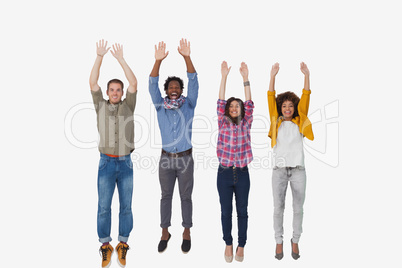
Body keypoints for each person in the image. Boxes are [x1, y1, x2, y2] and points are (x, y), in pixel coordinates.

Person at [89, 40, 137, 268]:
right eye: (113, 90)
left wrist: (120, 59)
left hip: (126, 163)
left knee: (126, 206)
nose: (116, 92)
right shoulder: (100, 105)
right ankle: (105, 245)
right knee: (104, 206)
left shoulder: (129, 105)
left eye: (119, 90)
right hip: (106, 163)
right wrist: (100, 56)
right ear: (108, 93)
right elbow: (92, 82)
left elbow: (134, 82)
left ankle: (123, 244)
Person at [148, 39, 198, 254]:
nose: (174, 89)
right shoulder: (160, 106)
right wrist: (157, 61)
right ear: (166, 91)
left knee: (186, 197)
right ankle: (165, 232)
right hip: (166, 159)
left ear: (181, 90)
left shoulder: (189, 104)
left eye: (177, 87)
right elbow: (151, 84)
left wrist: (186, 57)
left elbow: (194, 81)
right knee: (165, 196)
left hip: (186, 159)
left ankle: (186, 231)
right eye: (171, 87)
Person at [267, 62, 314, 260]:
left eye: (290, 105)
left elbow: (306, 95)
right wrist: (272, 76)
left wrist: (306, 75)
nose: (287, 108)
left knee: (298, 208)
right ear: (280, 107)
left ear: (294, 107)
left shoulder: (299, 119)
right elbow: (270, 97)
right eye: (284, 105)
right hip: (279, 170)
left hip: (298, 171)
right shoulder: (275, 120)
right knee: (278, 208)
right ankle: (279, 241)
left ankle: (295, 240)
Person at [217, 61, 254, 263]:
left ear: (241, 109)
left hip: (242, 173)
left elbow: (250, 102)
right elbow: (220, 101)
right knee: (225, 211)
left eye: (236, 106)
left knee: (242, 211)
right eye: (230, 106)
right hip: (223, 172)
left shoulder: (246, 122)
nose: (233, 107)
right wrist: (224, 77)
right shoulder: (222, 121)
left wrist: (245, 79)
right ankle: (228, 243)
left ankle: (241, 245)